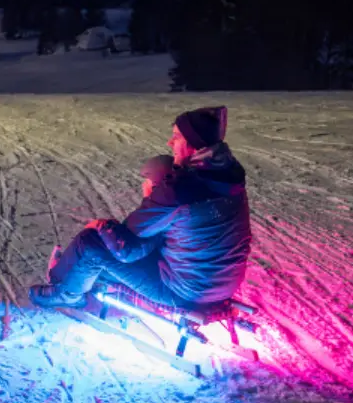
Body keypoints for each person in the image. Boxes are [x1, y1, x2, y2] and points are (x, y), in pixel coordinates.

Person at [31, 106, 251, 309]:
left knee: (90, 244)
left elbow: (125, 248)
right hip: (225, 285)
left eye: (176, 137)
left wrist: (101, 224)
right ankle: (74, 277)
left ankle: (66, 295)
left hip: (185, 292)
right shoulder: (228, 176)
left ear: (192, 143)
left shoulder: (177, 190)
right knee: (155, 239)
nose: (170, 143)